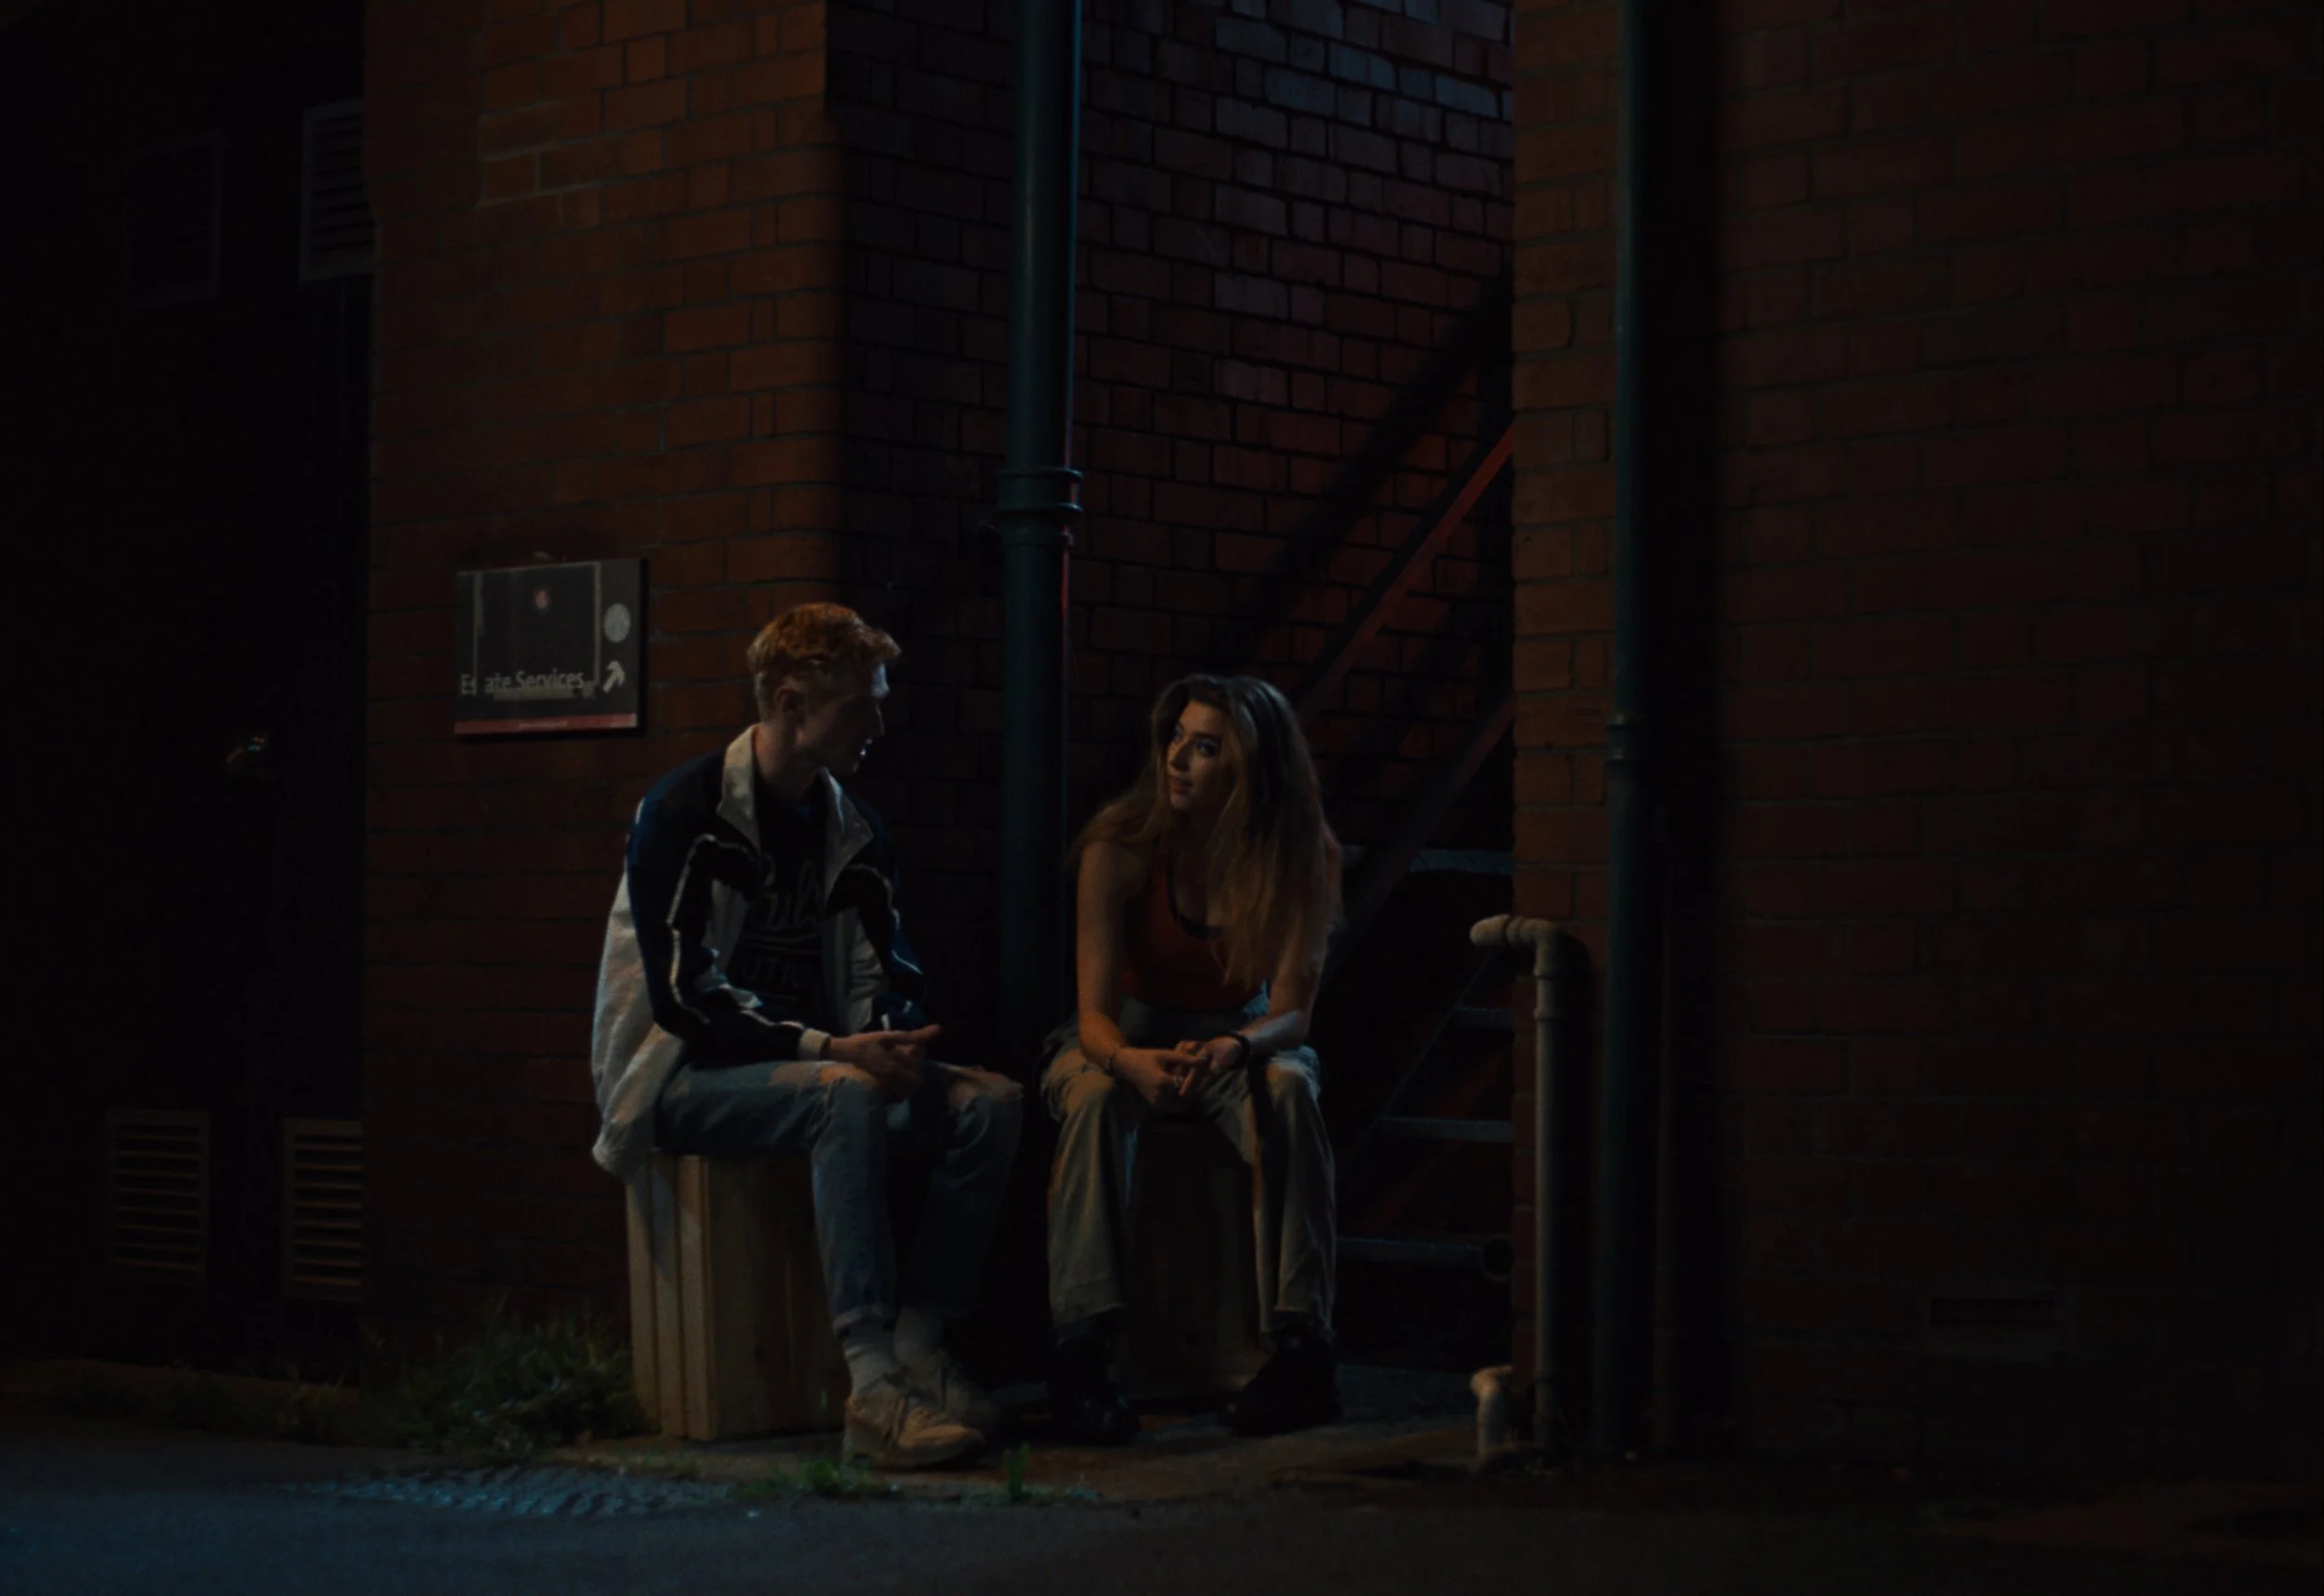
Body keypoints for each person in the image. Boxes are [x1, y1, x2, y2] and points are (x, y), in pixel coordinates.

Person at [588, 603, 1022, 1470]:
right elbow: (684, 998)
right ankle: (872, 1389)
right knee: (843, 1093)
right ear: (791, 703)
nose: (878, 726)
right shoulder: (684, 813)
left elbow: (889, 972)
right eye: (861, 705)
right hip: (682, 1078)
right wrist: (834, 1052)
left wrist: (890, 1042)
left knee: (991, 1103)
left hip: (818, 1073)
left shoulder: (851, 828)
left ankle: (917, 1346)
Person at [1044, 674, 1343, 1442]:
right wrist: (1132, 1063)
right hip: (1126, 1032)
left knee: (1290, 1087)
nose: (1177, 759)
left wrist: (1234, 1045)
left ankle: (1304, 1349)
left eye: (1204, 747)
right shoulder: (1119, 846)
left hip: (1238, 1034)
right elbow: (1094, 1019)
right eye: (1175, 736)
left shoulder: (1301, 854)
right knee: (1091, 1097)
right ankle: (1080, 1355)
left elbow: (1293, 1014)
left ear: (1251, 767)